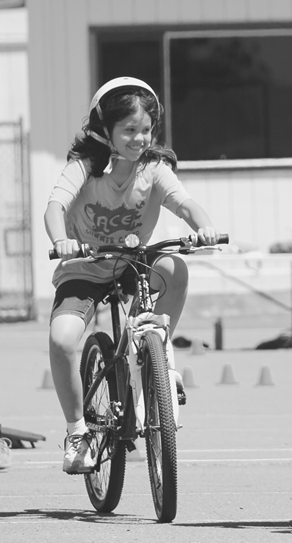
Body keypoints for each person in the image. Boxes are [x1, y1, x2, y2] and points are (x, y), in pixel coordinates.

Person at [44, 77, 219, 474]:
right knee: (61, 340)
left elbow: (185, 204)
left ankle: (156, 351)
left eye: (146, 130)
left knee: (175, 268)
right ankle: (76, 432)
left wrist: (204, 227)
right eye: (129, 130)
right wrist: (61, 240)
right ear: (105, 130)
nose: (140, 138)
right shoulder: (84, 169)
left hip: (131, 265)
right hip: (84, 268)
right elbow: (55, 207)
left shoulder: (154, 169)